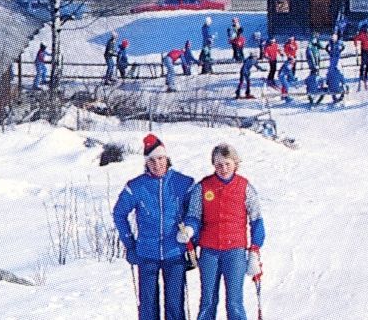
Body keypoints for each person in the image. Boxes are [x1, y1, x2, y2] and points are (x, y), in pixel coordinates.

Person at [112, 134, 195, 320]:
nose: (157, 164)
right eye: (152, 160)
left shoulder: (183, 183)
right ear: (146, 163)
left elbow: (195, 215)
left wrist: (191, 234)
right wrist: (130, 244)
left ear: (167, 158)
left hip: (175, 252)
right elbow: (119, 213)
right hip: (146, 253)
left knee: (175, 305)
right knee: (148, 306)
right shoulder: (136, 186)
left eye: (160, 158)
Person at [185, 143, 265, 320]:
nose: (223, 169)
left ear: (235, 163)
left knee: (234, 302)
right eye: (219, 165)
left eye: (227, 164)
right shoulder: (203, 187)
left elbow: (257, 220)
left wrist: (254, 251)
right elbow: (193, 215)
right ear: (213, 164)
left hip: (235, 251)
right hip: (209, 252)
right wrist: (189, 229)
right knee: (208, 300)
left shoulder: (245, 187)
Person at [355, 25, 368, 90]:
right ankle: (361, 74)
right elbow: (356, 38)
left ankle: (366, 75)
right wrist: (356, 44)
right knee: (363, 63)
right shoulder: (362, 34)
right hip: (364, 50)